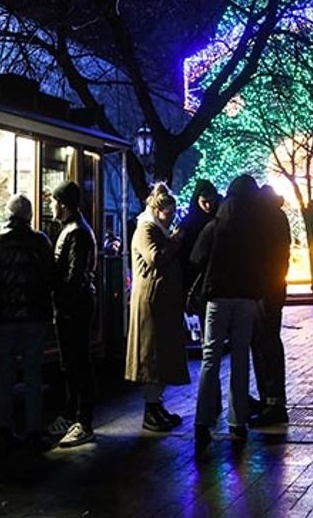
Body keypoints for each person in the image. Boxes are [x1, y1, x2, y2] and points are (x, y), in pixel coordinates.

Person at [189, 174, 263, 451]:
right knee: (241, 357)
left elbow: (196, 258)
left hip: (218, 297)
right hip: (245, 298)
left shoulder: (216, 226)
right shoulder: (255, 230)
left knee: (211, 358)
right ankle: (237, 422)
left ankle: (202, 422)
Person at [0, 194, 53, 450]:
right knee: (33, 373)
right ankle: (34, 429)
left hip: (3, 317)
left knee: (5, 373)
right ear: (30, 215)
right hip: (34, 316)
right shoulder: (41, 241)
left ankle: (5, 427)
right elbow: (49, 276)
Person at [126, 183, 190, 433]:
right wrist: (175, 241)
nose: (172, 216)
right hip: (152, 304)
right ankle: (151, 409)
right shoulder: (146, 229)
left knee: (160, 356)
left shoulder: (156, 228)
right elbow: (156, 259)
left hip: (162, 303)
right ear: (157, 209)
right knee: (152, 356)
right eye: (168, 212)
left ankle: (156, 405)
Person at [47, 181, 99, 448]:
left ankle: (83, 421)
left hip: (74, 307)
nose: (50, 205)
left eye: (53, 201)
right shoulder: (74, 228)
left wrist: (62, 300)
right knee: (72, 363)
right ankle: (72, 414)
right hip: (73, 305)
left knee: (78, 362)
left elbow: (73, 275)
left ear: (62, 205)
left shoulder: (76, 232)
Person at [249, 184, 292, 428]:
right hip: (273, 288)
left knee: (266, 343)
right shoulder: (277, 216)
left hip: (266, 289)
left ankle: (273, 401)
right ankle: (271, 400)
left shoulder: (268, 218)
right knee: (268, 342)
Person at [178, 179, 220, 344]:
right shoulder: (190, 223)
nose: (208, 206)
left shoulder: (216, 220)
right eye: (204, 202)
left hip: (210, 282)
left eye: (211, 201)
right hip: (196, 283)